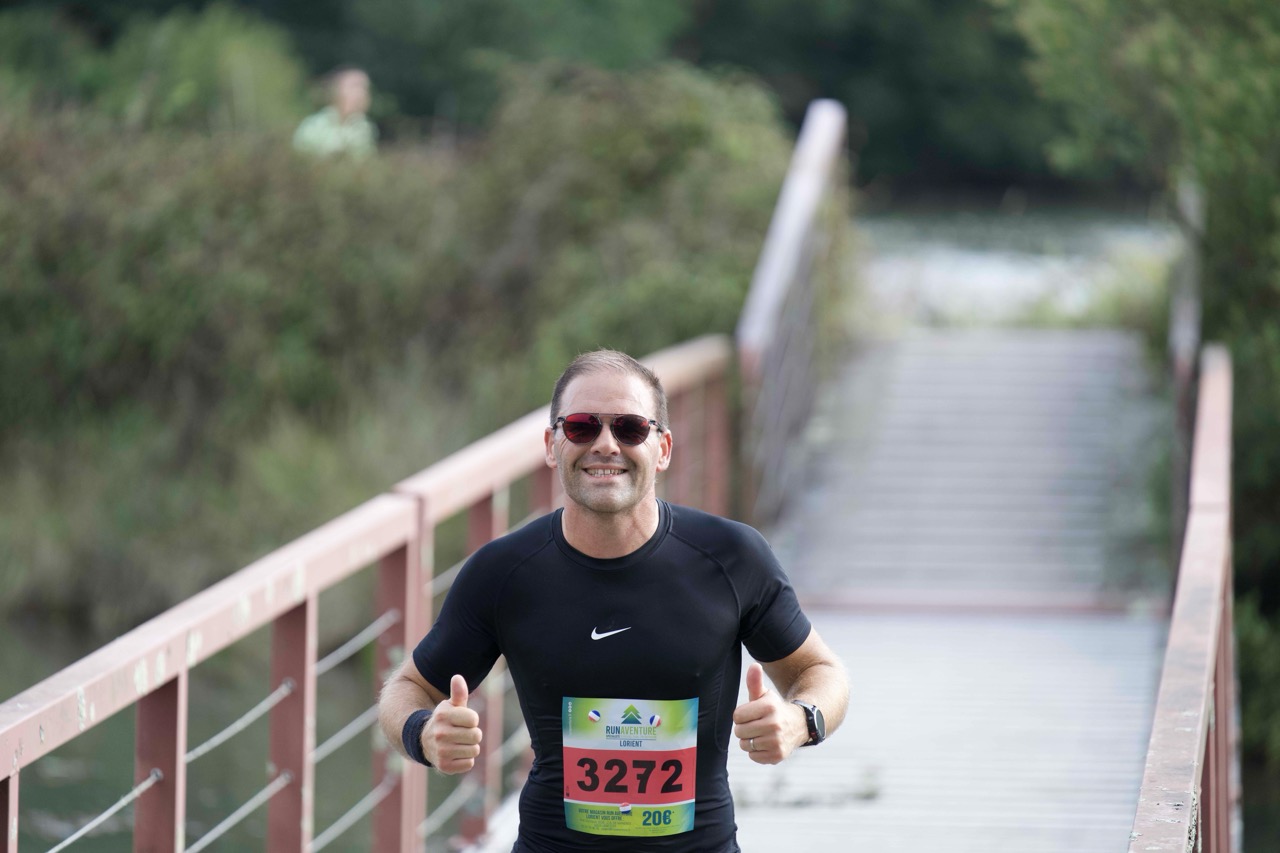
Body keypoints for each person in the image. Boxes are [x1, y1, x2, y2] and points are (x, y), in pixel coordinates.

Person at [379, 350, 848, 851]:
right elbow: (407, 688)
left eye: (629, 428)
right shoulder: (503, 572)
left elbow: (821, 671)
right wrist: (423, 733)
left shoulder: (732, 557)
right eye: (581, 427)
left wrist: (800, 721)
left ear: (663, 448)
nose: (605, 445)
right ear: (552, 445)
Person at [292, 66, 377, 159]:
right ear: (336, 90)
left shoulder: (366, 128)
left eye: (365, 88)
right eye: (355, 86)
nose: (361, 93)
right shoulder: (313, 125)